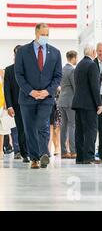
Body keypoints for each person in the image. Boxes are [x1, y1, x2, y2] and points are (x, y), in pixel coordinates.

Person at [15, 23, 62, 169]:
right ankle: (34, 158)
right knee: (29, 129)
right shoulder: (23, 51)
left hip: (46, 98)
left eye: (47, 34)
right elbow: (19, 74)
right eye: (43, 34)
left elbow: (57, 76)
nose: (45, 37)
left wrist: (48, 91)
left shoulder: (55, 52)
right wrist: (31, 91)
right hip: (27, 97)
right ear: (36, 33)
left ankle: (44, 154)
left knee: (43, 125)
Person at [71, 45, 102, 165]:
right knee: (91, 130)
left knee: (79, 131)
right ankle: (89, 156)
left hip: (78, 103)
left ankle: (80, 157)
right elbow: (94, 86)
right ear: (94, 52)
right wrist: (99, 103)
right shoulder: (92, 65)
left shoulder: (79, 65)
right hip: (89, 104)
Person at [3, 45, 29, 162]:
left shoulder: (30, 69)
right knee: (21, 129)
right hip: (17, 105)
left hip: (30, 104)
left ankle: (32, 151)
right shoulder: (8, 70)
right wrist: (9, 106)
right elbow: (6, 90)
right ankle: (23, 153)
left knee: (31, 129)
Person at [58, 50, 78, 159]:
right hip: (70, 101)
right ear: (74, 58)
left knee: (63, 126)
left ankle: (64, 152)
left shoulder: (62, 69)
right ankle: (73, 151)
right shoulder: (72, 70)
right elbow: (75, 87)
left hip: (61, 100)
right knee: (72, 125)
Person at [48, 92, 61, 156]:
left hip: (59, 103)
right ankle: (53, 147)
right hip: (53, 102)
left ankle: (57, 147)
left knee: (57, 128)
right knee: (52, 128)